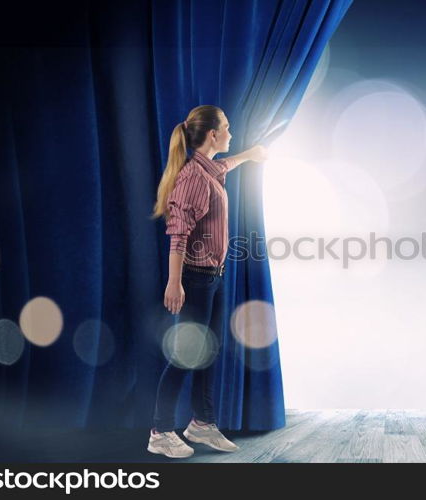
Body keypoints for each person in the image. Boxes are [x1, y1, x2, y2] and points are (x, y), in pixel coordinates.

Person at [148, 105, 268, 458]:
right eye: (227, 128)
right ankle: (160, 431)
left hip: (213, 277)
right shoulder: (193, 179)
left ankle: (201, 423)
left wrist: (251, 155)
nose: (232, 132)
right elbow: (178, 234)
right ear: (213, 135)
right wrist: (174, 282)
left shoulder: (209, 169)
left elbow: (225, 165)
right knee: (186, 355)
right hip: (194, 279)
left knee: (208, 353)